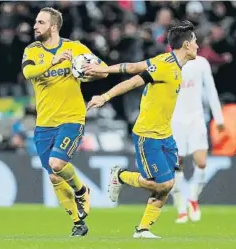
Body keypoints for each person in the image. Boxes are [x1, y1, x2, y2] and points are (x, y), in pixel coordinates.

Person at [84, 21, 198, 238]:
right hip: (148, 135)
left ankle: (143, 229)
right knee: (164, 184)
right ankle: (120, 175)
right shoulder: (165, 64)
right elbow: (134, 77)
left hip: (165, 134)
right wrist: (105, 95)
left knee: (167, 184)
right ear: (185, 45)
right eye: (194, 41)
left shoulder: (173, 66)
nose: (197, 46)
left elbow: (136, 67)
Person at [21, 7, 107, 237]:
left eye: (40, 22)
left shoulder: (76, 48)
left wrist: (87, 71)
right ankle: (78, 222)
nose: (35, 26)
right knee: (53, 175)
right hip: (44, 123)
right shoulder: (32, 50)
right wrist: (53, 61)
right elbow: (29, 73)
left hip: (72, 118)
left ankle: (81, 190)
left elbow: (104, 70)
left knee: (57, 164)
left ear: (54, 26)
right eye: (36, 22)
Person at [170, 55, 224, 224]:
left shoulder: (201, 63)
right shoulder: (168, 62)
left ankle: (193, 199)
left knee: (201, 162)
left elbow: (211, 89)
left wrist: (219, 118)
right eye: (193, 41)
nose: (196, 46)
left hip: (196, 119)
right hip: (174, 119)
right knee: (176, 164)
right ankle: (180, 208)